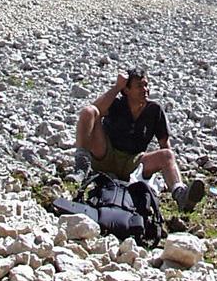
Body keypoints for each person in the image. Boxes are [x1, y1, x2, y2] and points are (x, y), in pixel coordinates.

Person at [73, 68, 205, 212]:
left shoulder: (154, 110)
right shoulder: (116, 103)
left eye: (146, 85)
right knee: (88, 111)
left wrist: (168, 173)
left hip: (134, 163)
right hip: (105, 155)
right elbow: (94, 110)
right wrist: (117, 87)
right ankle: (81, 170)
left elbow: (164, 145)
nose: (145, 90)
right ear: (127, 90)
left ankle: (181, 194)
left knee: (167, 155)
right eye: (139, 86)